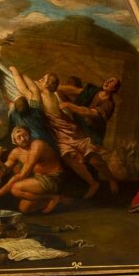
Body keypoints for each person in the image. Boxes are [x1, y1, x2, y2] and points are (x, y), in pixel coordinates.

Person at [11, 66, 113, 198]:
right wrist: (20, 73)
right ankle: (93, 183)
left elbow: (25, 88)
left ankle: (111, 179)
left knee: (92, 157)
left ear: (47, 85)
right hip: (60, 134)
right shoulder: (48, 93)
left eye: (42, 79)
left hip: (68, 132)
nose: (39, 80)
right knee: (71, 160)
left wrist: (15, 71)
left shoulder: (43, 95)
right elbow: (32, 85)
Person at [0, 127, 65, 213]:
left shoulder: (37, 145)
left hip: (54, 178)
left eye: (25, 135)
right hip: (39, 180)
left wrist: (0, 192)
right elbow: (4, 170)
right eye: (19, 137)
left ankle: (52, 197)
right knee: (24, 208)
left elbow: (23, 175)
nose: (23, 139)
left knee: (15, 189)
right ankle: (59, 199)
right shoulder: (15, 152)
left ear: (30, 135)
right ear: (14, 141)